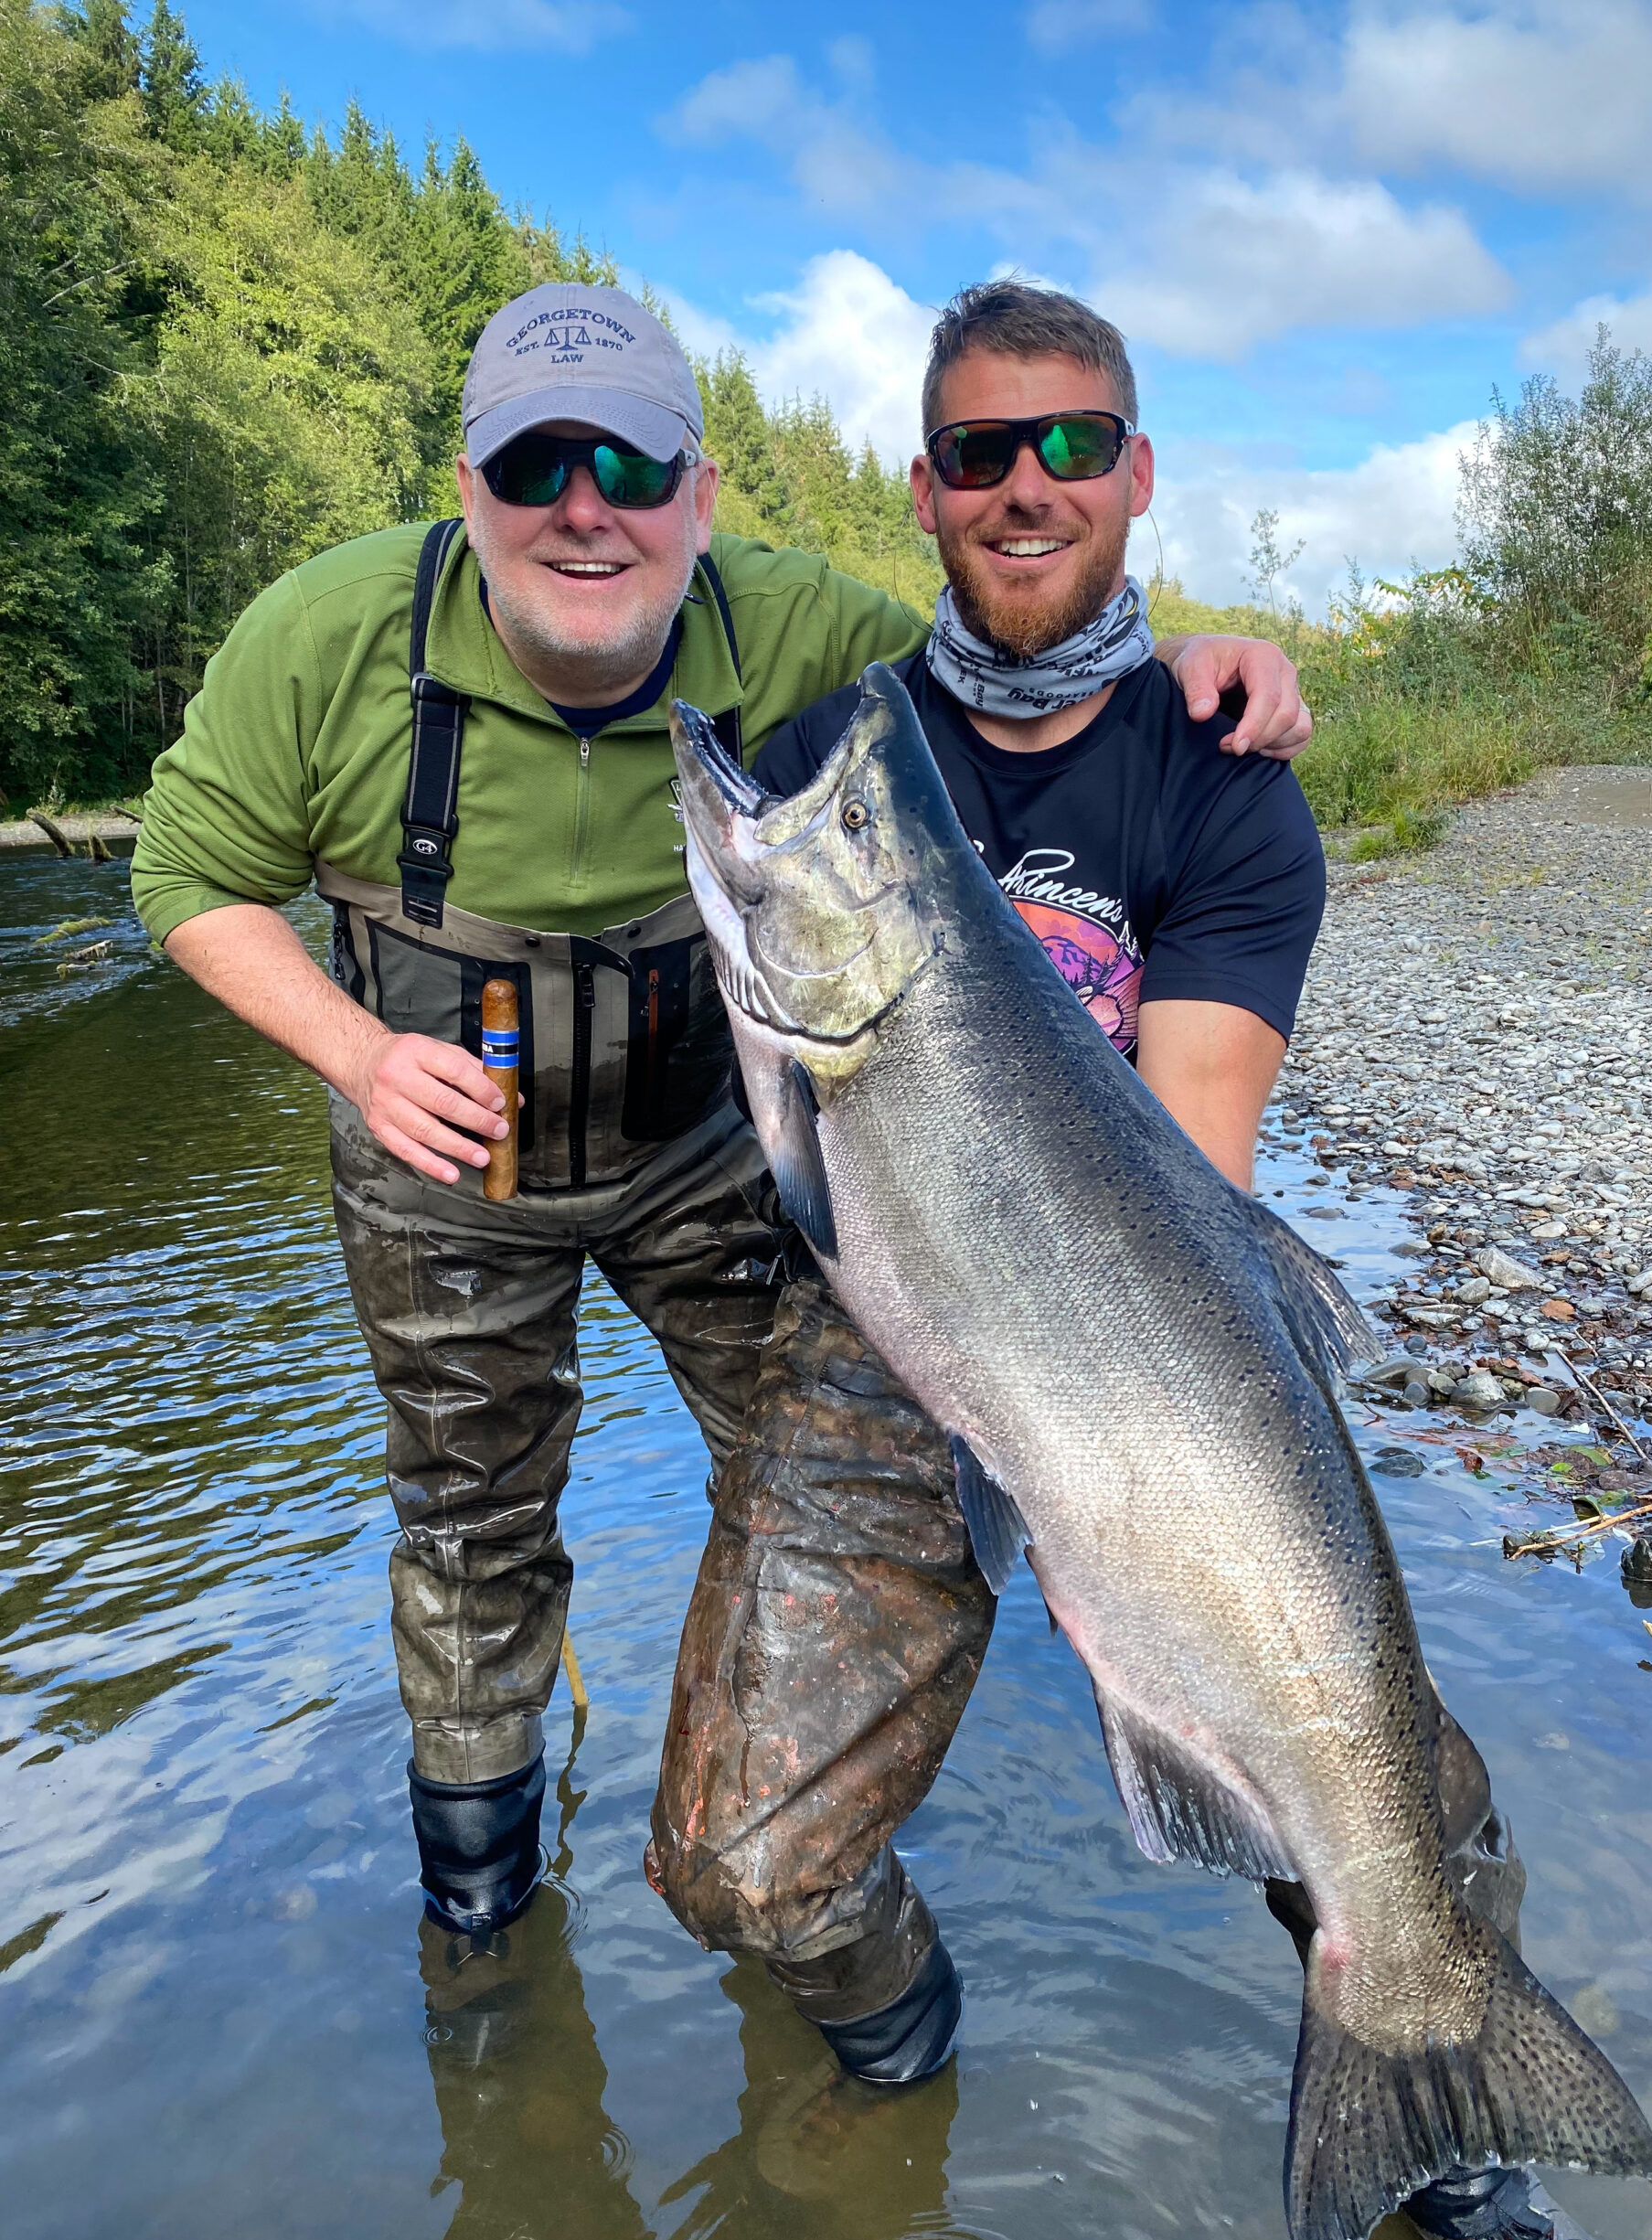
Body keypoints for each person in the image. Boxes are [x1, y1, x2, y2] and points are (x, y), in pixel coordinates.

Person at [650, 283, 1652, 2240]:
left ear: (1134, 470)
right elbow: (603, 605)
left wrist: (1092, 1470)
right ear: (925, 488)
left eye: (1072, 446)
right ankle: (894, 2031)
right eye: (979, 454)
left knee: (1388, 1784)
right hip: (869, 1342)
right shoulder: (846, 743)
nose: (1027, 487)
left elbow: (1195, 1172)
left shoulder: (1229, 790)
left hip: (1122, 1330)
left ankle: (1452, 2120)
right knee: (737, 1868)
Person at [129, 292, 1301, 1975]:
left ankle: (1310, 1890)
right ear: (467, 485)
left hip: (719, 1150)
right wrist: (356, 1052)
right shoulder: (323, 639)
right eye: (539, 462)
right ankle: (483, 1930)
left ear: (701, 488)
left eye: (630, 461)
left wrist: (1195, 661)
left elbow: (1028, 625)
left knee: (819, 1457)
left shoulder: (806, 631)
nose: (584, 503)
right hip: (448, 1145)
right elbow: (182, 876)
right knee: (469, 1528)